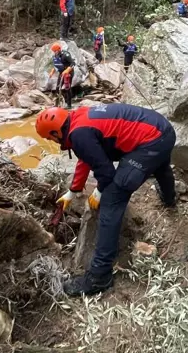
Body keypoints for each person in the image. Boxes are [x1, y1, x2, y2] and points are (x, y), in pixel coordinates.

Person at [35, 103, 177, 296]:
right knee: (160, 165)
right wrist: (73, 190)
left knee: (112, 199)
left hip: (151, 141)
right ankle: (169, 199)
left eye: (50, 138)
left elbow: (106, 172)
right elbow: (86, 157)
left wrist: (100, 191)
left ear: (55, 133)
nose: (52, 141)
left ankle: (99, 276)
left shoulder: (78, 134)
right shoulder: (79, 119)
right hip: (162, 129)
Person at [49, 43, 75, 108]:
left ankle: (69, 105)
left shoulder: (65, 55)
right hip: (61, 73)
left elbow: (73, 63)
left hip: (68, 73)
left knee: (67, 88)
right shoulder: (55, 56)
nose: (55, 52)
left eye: (56, 51)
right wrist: (52, 71)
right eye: (54, 51)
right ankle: (60, 102)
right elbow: (56, 65)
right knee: (58, 88)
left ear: (59, 49)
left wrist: (67, 70)